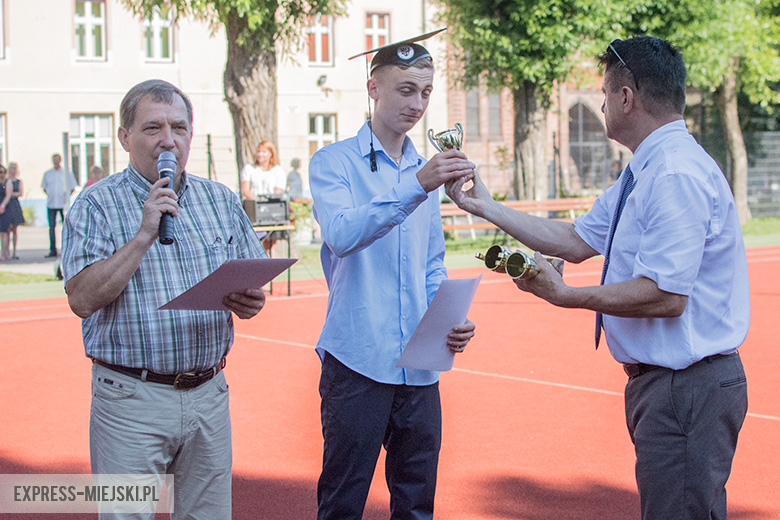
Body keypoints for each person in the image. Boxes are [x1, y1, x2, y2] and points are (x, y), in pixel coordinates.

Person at [446, 36, 749, 520]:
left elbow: (666, 296)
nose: (602, 103)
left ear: (626, 97)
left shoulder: (672, 173)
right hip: (671, 386)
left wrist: (565, 295)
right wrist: (484, 206)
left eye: (605, 93)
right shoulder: (648, 170)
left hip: (686, 386)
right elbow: (573, 238)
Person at [61, 79, 269, 519]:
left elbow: (250, 276)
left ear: (191, 134)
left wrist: (250, 300)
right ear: (125, 137)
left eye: (178, 127)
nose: (168, 140)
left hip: (209, 392)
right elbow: (81, 298)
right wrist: (143, 235)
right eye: (153, 128)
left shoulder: (220, 199)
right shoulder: (96, 204)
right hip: (131, 398)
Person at [309, 30, 477, 520]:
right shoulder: (334, 162)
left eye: (425, 91)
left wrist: (447, 319)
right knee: (343, 502)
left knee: (417, 504)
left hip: (420, 366)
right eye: (405, 89)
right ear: (372, 89)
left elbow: (431, 264)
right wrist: (415, 186)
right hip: (357, 358)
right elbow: (341, 234)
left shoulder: (426, 169)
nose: (418, 103)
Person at [41, 153, 77, 257]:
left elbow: (72, 187)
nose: (56, 162)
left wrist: (66, 198)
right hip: (52, 203)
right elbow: (44, 187)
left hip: (63, 204)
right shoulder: (48, 174)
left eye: (57, 160)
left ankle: (67, 249)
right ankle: (53, 250)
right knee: (51, 227)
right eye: (54, 160)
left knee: (66, 227)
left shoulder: (66, 173)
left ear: (60, 160)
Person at [0, 162, 26, 260]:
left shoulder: (17, 181)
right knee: (6, 230)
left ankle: (14, 251)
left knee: (14, 229)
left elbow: (19, 193)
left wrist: (11, 194)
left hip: (13, 206)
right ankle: (6, 251)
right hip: (7, 205)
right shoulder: (5, 181)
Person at [0, 164, 10, 261]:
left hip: (5, 209)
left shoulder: (7, 182)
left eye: (3, 172)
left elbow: (8, 195)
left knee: (4, 232)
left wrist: (2, 205)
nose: (2, 174)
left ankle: (4, 253)